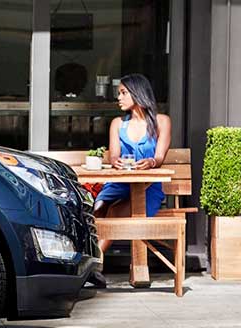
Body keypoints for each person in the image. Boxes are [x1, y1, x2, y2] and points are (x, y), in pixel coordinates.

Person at [86, 73, 171, 288]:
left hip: (147, 187)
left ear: (137, 93)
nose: (119, 98)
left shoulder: (162, 122)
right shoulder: (117, 124)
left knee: (114, 213)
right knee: (97, 208)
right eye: (119, 94)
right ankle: (91, 265)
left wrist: (151, 162)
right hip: (120, 182)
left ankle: (91, 267)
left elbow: (160, 157)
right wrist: (117, 162)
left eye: (123, 93)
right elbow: (114, 155)